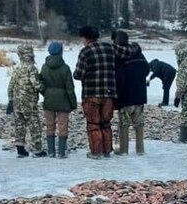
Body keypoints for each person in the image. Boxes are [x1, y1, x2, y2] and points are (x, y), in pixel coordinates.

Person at [74, 26, 117, 158]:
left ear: (86, 38)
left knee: (93, 124)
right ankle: (107, 151)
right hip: (109, 93)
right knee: (106, 123)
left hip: (91, 93)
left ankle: (96, 152)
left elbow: (78, 74)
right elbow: (126, 51)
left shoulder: (85, 52)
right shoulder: (110, 48)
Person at [112, 30, 148, 156]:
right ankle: (140, 149)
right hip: (140, 94)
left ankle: (123, 150)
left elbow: (118, 77)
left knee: (124, 124)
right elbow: (146, 69)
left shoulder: (118, 56)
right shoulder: (138, 53)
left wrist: (116, 97)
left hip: (125, 96)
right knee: (139, 124)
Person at [39, 41, 77, 158]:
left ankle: (51, 151)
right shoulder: (65, 68)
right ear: (61, 52)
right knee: (62, 126)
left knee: (50, 126)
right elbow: (70, 88)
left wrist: (45, 92)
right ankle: (61, 152)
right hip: (63, 100)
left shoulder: (44, 67)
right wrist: (73, 103)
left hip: (49, 100)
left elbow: (39, 83)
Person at [8, 44, 45, 157]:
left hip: (16, 101)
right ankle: (37, 149)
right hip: (28, 101)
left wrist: (10, 100)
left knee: (19, 124)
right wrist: (44, 89)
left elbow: (10, 85)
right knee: (34, 124)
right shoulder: (31, 68)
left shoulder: (17, 68)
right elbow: (36, 84)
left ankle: (20, 149)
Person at [173, 40, 187, 143]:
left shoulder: (185, 63)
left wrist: (178, 96)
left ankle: (184, 138)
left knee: (186, 114)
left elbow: (182, 82)